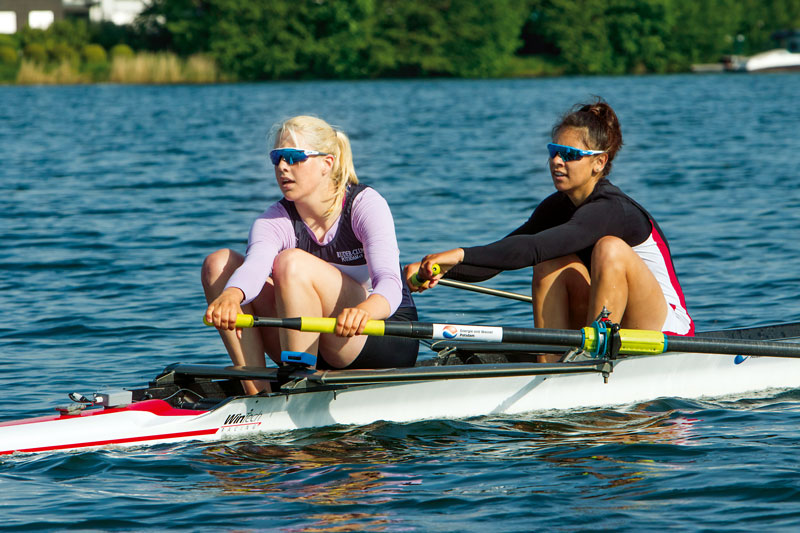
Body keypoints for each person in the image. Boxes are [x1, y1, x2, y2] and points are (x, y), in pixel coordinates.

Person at [405, 98, 693, 355]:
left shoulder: (611, 209)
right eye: (554, 151)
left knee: (608, 249)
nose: (556, 161)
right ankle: (552, 364)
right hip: (611, 319)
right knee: (548, 264)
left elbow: (534, 246)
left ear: (599, 162)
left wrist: (458, 253)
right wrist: (442, 269)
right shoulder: (556, 206)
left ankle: (590, 359)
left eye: (569, 155)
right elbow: (502, 257)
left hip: (665, 327)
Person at [203, 115, 418, 394]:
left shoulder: (365, 205)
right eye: (277, 158)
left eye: (293, 157)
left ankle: (298, 383)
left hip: (379, 335)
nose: (282, 167)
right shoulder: (274, 220)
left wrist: (363, 312)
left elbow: (390, 283)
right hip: (314, 337)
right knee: (218, 264)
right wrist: (232, 296)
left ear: (326, 164)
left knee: (291, 263)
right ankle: (257, 391)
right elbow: (255, 267)